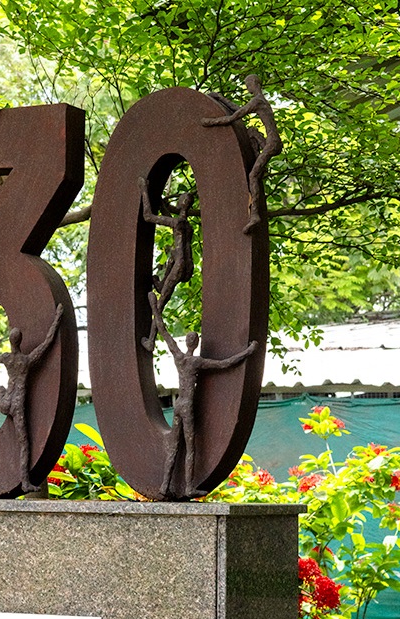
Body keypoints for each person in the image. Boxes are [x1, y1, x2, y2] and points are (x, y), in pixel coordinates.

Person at [148, 292, 256, 498]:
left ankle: (164, 486)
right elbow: (225, 364)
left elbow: (163, 331)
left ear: (186, 342)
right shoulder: (196, 362)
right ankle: (189, 487)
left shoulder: (179, 357)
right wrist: (248, 351)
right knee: (190, 447)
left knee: (173, 447)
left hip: (178, 404)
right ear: (195, 344)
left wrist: (154, 306)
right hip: (187, 406)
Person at [0, 304, 64, 493]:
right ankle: (25, 482)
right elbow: (48, 342)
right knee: (24, 443)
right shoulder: (26, 360)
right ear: (20, 341)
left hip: (5, 402)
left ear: (10, 341)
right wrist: (58, 317)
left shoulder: (6, 358)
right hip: (18, 404)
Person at [201, 74, 282, 234]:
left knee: (253, 176)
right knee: (252, 132)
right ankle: (258, 161)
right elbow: (239, 109)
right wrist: (220, 98)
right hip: (271, 142)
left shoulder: (258, 100)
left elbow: (234, 116)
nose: (247, 87)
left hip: (272, 143)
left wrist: (210, 122)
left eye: (248, 84)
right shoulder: (260, 101)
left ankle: (255, 215)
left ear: (254, 83)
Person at [139, 176, 195, 349]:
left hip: (179, 264)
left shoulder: (177, 222)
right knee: (162, 288)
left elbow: (148, 216)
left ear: (181, 203)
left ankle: (151, 339)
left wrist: (143, 189)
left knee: (160, 304)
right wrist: (160, 201)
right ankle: (159, 284)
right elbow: (168, 217)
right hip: (187, 265)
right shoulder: (186, 225)